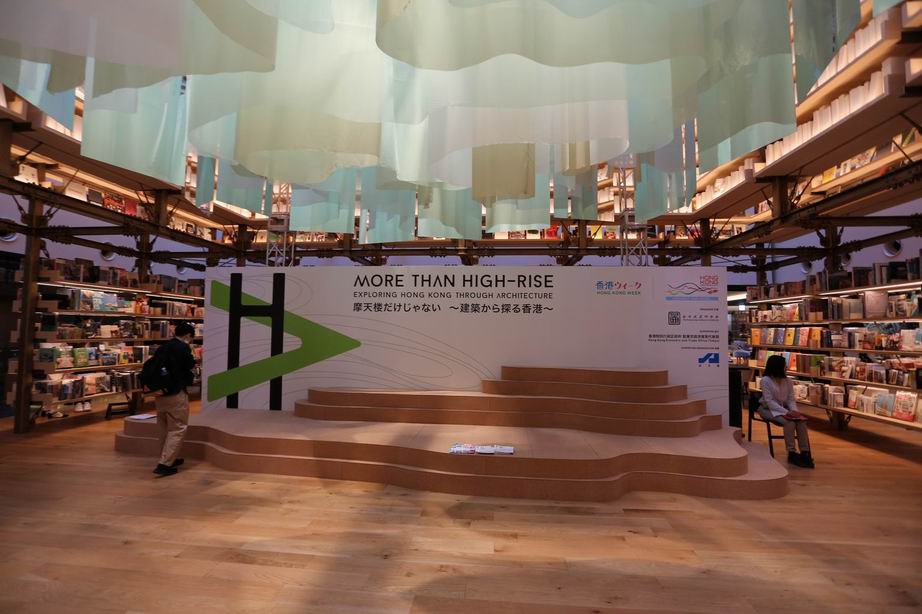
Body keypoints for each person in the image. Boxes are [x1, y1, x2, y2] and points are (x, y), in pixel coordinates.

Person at [151, 322, 196, 476]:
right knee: (178, 427)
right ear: (188, 335)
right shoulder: (183, 348)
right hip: (176, 392)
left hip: (160, 392)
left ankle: (167, 458)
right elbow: (189, 365)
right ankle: (165, 464)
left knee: (163, 426)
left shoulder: (163, 347)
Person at [759, 355, 814, 468]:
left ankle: (805, 452)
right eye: (784, 366)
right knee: (789, 423)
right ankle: (791, 452)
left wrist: (794, 411)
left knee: (801, 422)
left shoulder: (788, 381)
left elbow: (791, 399)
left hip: (783, 409)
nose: (786, 368)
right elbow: (769, 402)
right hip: (767, 409)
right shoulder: (765, 380)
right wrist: (787, 412)